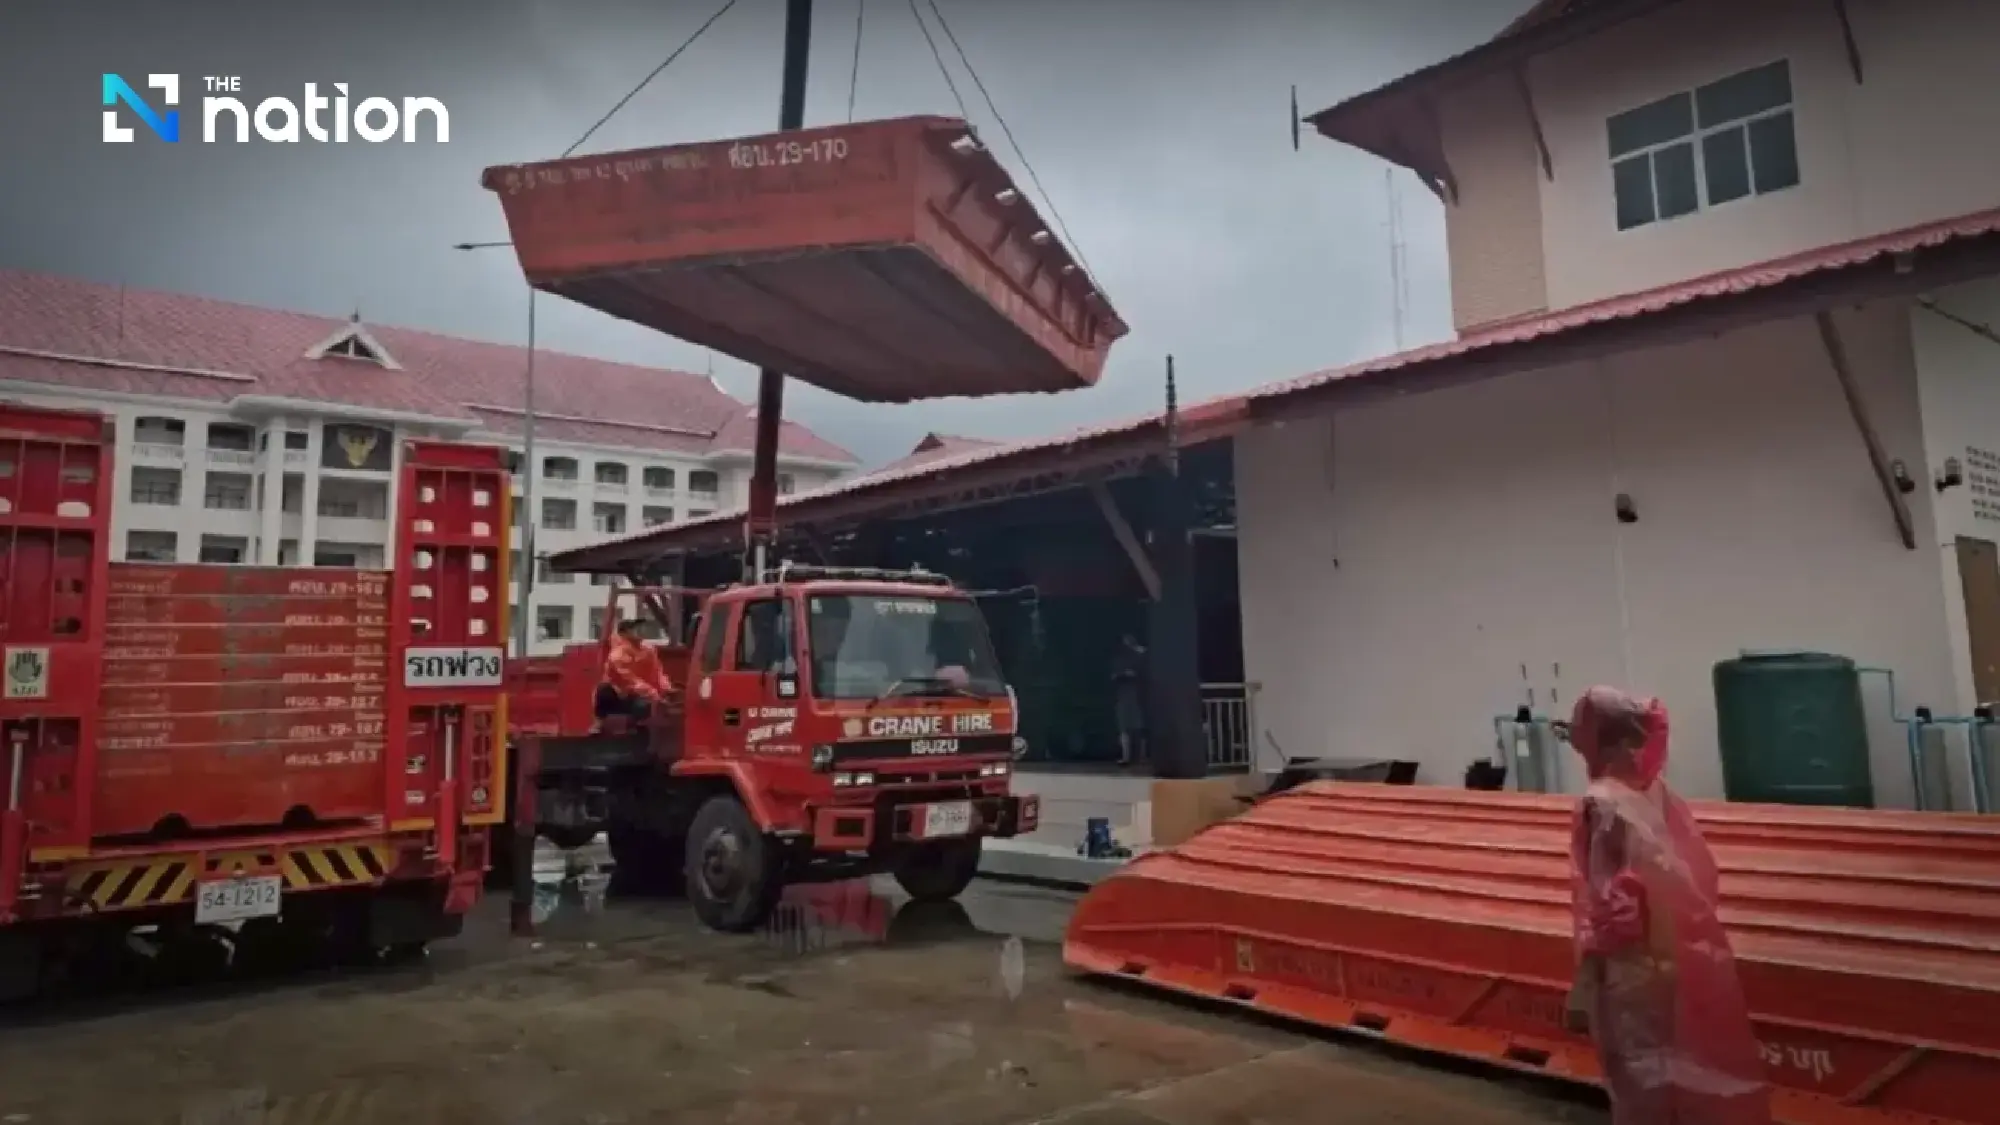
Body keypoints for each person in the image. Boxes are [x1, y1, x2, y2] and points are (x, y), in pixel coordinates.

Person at [1563, 685, 1770, 1125]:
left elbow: (1606, 906)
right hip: (1668, 949)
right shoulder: (1655, 793)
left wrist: (1585, 982)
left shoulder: (1600, 802)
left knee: (1637, 1068)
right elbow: (1693, 869)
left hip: (1629, 964)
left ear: (1601, 738)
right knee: (1670, 1057)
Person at [597, 618, 670, 724]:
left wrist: (666, 689)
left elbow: (657, 672)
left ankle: (641, 726)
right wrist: (654, 695)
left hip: (641, 694)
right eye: (633, 628)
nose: (640, 630)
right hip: (622, 696)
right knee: (604, 690)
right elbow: (630, 681)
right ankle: (600, 721)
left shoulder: (648, 650)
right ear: (624, 633)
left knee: (646, 705)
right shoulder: (618, 654)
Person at [1111, 634, 1147, 767]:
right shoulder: (1119, 660)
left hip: (1137, 697)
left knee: (1138, 728)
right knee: (1124, 729)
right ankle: (1126, 756)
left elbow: (1143, 673)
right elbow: (1113, 676)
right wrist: (1123, 674)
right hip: (1123, 697)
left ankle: (1141, 756)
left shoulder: (1140, 656)